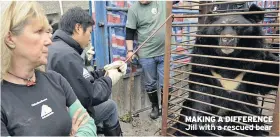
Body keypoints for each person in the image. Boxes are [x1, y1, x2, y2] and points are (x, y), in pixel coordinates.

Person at [1, 1, 96, 136]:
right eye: (39, 31)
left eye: (47, 31)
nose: (49, 41)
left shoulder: (56, 80)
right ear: (10, 38)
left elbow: (88, 124)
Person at [47, 7, 127, 136]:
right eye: (89, 32)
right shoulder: (67, 55)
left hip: (60, 111)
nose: (90, 38)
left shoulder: (58, 47)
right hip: (69, 119)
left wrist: (104, 71)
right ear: (78, 28)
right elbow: (91, 95)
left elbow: (82, 78)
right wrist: (110, 79)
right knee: (110, 106)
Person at [126, 1, 177, 119]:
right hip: (146, 53)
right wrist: (129, 51)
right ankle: (155, 107)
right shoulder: (133, 10)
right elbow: (129, 32)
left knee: (167, 82)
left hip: (166, 51)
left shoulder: (164, 2)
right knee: (150, 83)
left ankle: (165, 108)